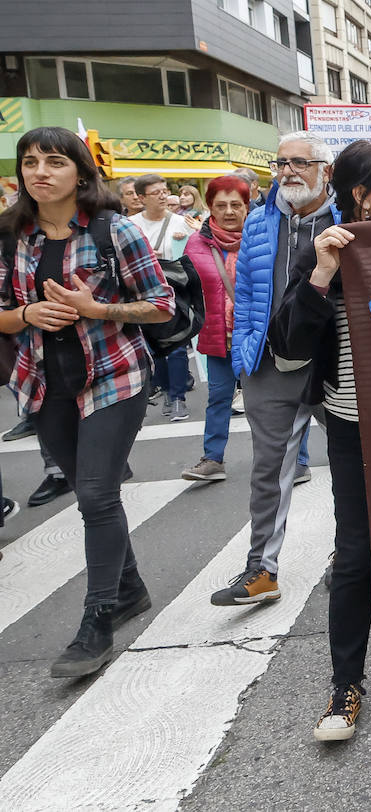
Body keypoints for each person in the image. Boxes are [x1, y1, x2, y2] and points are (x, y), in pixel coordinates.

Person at [0, 126, 173, 677]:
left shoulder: (113, 230)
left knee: (97, 495)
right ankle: (129, 588)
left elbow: (161, 305)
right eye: (31, 162)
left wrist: (96, 309)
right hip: (43, 382)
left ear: (80, 172)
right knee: (89, 494)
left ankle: (97, 619)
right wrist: (26, 314)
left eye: (55, 161)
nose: (40, 172)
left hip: (113, 376)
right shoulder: (10, 235)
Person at [268, 140, 371, 741]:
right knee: (356, 556)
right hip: (355, 429)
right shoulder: (323, 253)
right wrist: (323, 274)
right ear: (361, 195)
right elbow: (288, 347)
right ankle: (345, 685)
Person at [211, 131, 344, 607]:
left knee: (351, 464)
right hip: (269, 362)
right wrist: (244, 355)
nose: (288, 171)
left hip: (336, 362)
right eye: (281, 162)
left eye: (300, 163)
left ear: (326, 171)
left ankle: (348, 555)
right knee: (268, 471)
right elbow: (247, 294)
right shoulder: (259, 222)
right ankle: (261, 570)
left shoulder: (352, 218)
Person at [180, 175, 249, 483]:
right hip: (218, 336)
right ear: (209, 206)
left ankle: (295, 460)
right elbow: (187, 290)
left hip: (258, 336)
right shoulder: (196, 244)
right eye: (221, 205)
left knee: (272, 403)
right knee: (219, 398)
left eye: (236, 204)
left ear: (247, 206)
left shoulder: (262, 237)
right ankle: (212, 459)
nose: (229, 211)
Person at [127, 174, 194, 420]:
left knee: (176, 346)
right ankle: (166, 390)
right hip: (143, 292)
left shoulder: (181, 222)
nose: (163, 196)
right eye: (156, 193)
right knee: (153, 347)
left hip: (175, 291)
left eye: (165, 191)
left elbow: (195, 254)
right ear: (141, 198)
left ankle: (177, 398)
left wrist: (185, 242)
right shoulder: (129, 225)